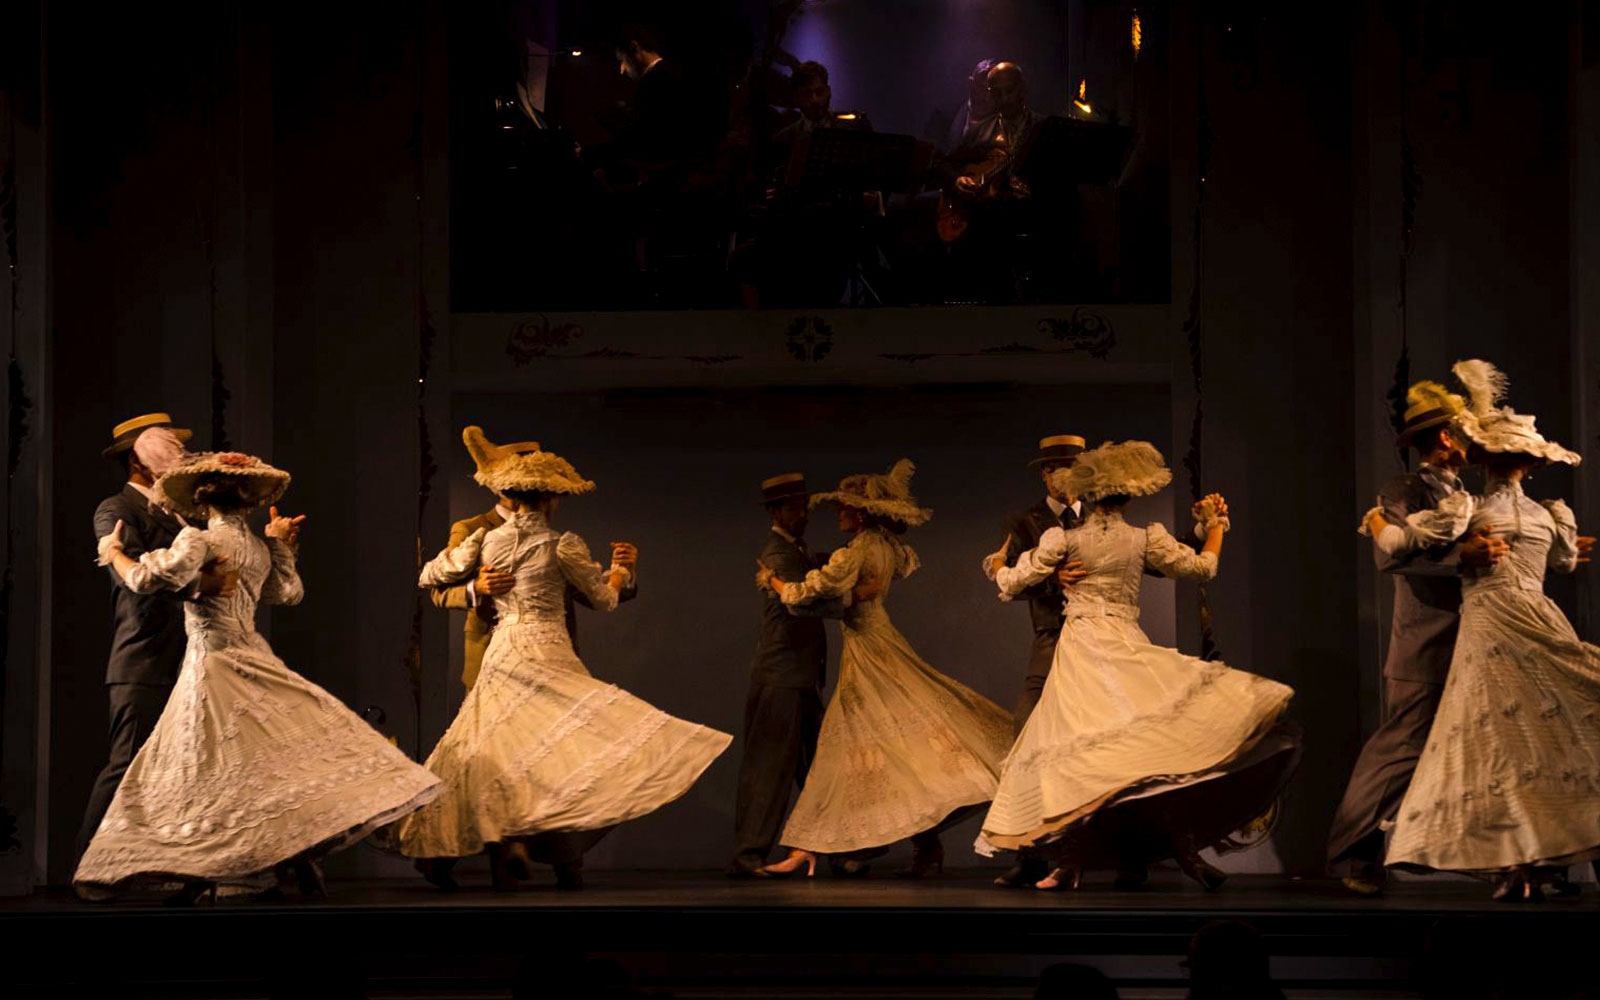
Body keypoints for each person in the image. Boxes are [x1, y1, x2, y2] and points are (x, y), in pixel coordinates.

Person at [75, 450, 441, 905]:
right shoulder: (253, 546)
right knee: (255, 764)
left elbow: (148, 580)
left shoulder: (198, 539)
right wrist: (281, 545)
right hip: (253, 654)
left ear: (202, 502)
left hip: (211, 661)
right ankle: (268, 858)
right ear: (246, 503)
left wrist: (113, 552)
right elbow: (288, 592)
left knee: (205, 766)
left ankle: (223, 867)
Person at [398, 428, 731, 889]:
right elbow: (601, 599)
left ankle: (504, 850)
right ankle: (492, 850)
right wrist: (478, 590)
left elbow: (428, 573)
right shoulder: (530, 538)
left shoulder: (484, 543)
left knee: (514, 753)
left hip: (507, 650)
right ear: (549, 496)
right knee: (531, 752)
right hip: (532, 652)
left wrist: (623, 575)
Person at [979, 441, 1300, 891]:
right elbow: (1203, 568)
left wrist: (996, 566)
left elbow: (1012, 582)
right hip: (1126, 646)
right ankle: (1180, 855)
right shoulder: (1144, 537)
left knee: (1076, 753)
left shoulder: (1063, 539)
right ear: (1126, 497)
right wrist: (1215, 527)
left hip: (1082, 652)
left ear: (1086, 497)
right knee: (1143, 753)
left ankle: (1073, 861)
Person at [1365, 360, 1599, 901]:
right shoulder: (1549, 514)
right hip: (1536, 619)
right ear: (1532, 466)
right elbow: (1564, 563)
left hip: (1492, 627)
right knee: (1545, 736)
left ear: (1482, 457)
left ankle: (1517, 859)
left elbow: (1399, 548)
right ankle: (1537, 856)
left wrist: (1377, 523)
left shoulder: (1466, 510)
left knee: (1492, 741)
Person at [755, 460, 1014, 877]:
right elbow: (857, 593)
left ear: (860, 512)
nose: (837, 513)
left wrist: (776, 583)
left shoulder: (855, 551)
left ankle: (810, 847)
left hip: (870, 651)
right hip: (882, 640)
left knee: (859, 746)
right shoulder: (886, 546)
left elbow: (804, 594)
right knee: (898, 743)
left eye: (844, 507)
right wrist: (853, 597)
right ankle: (919, 846)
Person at [1325, 380, 1507, 895]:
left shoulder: (1470, 493)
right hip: (1427, 641)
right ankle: (1351, 855)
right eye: (1466, 431)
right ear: (1448, 438)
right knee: (1401, 748)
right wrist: (1459, 559)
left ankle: (1493, 856)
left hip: (1477, 638)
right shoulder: (1405, 491)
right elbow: (1391, 555)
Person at [75, 415, 239, 904]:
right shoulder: (116, 508)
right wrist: (197, 583)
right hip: (144, 657)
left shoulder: (185, 515)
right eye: (164, 453)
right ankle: (89, 869)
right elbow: (130, 577)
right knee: (127, 764)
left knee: (185, 765)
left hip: (192, 658)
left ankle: (165, 865)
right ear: (137, 460)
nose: (175, 463)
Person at [431, 430, 636, 690]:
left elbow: (589, 595)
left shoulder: (552, 539)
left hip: (550, 655)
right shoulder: (473, 529)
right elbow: (439, 593)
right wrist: (477, 588)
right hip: (491, 656)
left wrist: (623, 572)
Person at [986, 434, 1089, 889]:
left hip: (1099, 640)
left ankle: (1116, 855)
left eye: (1075, 467)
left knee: (1102, 745)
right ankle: (1030, 856)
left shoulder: (1103, 513)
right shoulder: (1024, 520)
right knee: (1028, 741)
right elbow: (1004, 575)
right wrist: (1053, 579)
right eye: (1058, 468)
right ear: (1045, 474)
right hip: (1052, 638)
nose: (1066, 476)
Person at [729, 473, 840, 877]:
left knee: (820, 767)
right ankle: (748, 856)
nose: (803, 514)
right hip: (782, 675)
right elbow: (799, 605)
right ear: (775, 512)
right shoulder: (777, 554)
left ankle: (842, 851)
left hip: (801, 675)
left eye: (804, 506)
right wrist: (851, 602)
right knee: (769, 768)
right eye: (794, 507)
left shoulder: (796, 548)